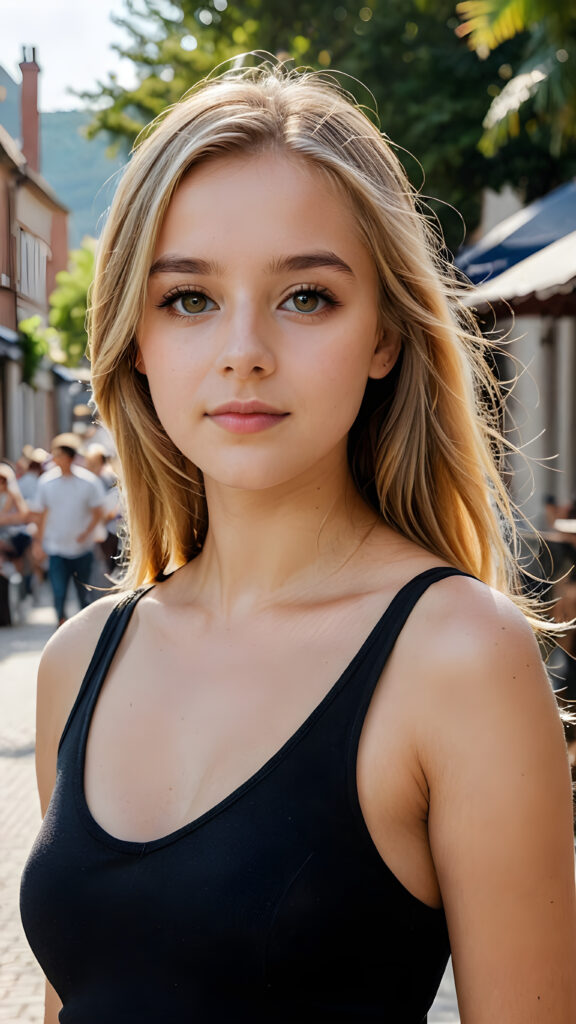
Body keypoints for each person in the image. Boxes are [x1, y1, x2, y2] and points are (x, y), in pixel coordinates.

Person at [20, 64, 576, 1024]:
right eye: (189, 298)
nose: (243, 349)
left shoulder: (459, 656)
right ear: (136, 339)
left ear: (385, 337)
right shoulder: (80, 662)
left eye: (307, 296)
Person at [32, 435, 105, 625]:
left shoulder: (88, 482)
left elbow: (99, 510)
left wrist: (88, 532)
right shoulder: (46, 482)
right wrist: (38, 543)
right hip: (55, 546)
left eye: (60, 455)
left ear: (70, 457)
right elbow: (40, 514)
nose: (56, 459)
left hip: (82, 547)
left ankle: (84, 628)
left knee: (84, 594)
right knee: (59, 592)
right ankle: (61, 626)